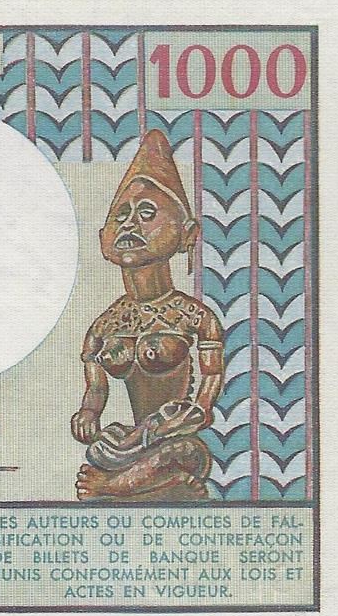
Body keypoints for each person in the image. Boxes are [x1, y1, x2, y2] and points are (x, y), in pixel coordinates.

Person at [72, 129, 224, 501]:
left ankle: (114, 487)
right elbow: (96, 388)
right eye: (120, 216)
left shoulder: (195, 317)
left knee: (187, 452)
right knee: (101, 450)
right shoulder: (104, 325)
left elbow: (211, 378)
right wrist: (88, 413)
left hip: (173, 436)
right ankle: (152, 483)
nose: (129, 225)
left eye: (146, 213)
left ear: (188, 235)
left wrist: (197, 411)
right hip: (129, 443)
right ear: (102, 238)